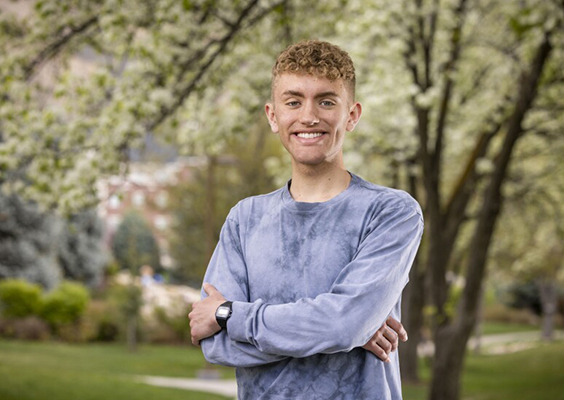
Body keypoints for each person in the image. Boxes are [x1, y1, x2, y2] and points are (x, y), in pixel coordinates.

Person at [189, 40, 424, 399]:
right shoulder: (245, 219)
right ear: (273, 115)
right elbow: (216, 346)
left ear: (352, 115)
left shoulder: (391, 212)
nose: (309, 116)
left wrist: (227, 315)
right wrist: (343, 333)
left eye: (327, 101)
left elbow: (344, 324)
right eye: (294, 101)